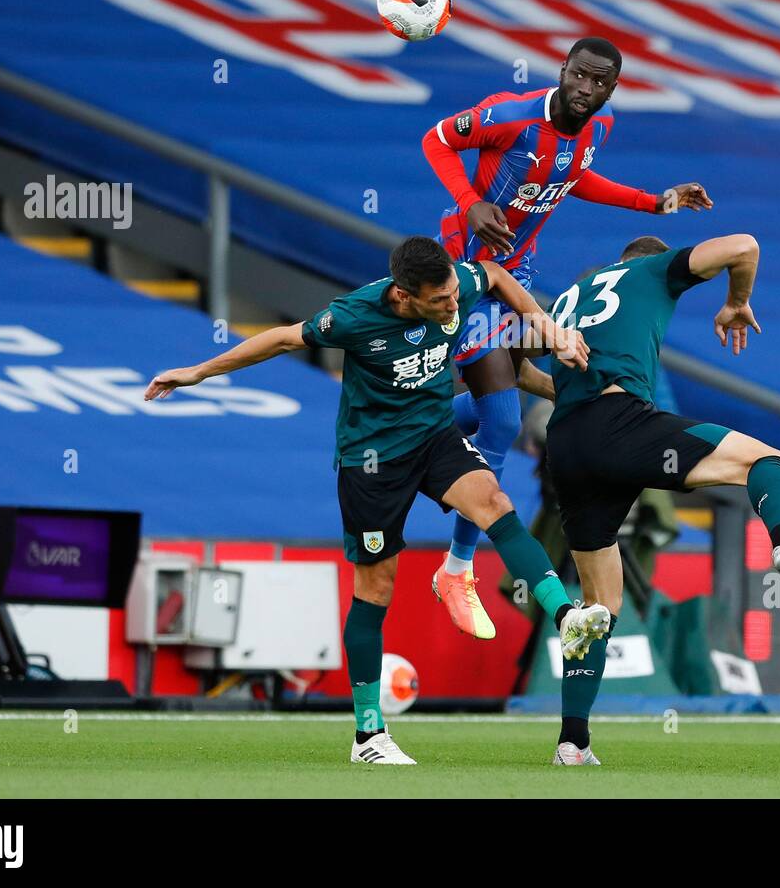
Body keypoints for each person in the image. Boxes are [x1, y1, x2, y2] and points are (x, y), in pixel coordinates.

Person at [143, 236, 612, 765]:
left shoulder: (457, 283)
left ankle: (565, 616)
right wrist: (199, 371)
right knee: (376, 589)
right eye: (440, 301)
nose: (453, 306)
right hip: (373, 462)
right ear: (404, 296)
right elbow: (278, 339)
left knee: (495, 503)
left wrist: (545, 325)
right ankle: (369, 735)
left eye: (454, 294)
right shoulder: (353, 317)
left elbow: (494, 273)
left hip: (435, 438)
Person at [535, 232, 780, 765]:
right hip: (621, 425)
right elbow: (746, 246)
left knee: (596, 611)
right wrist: (736, 303)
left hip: (567, 445)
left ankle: (572, 743)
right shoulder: (649, 272)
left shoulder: (569, 299)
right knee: (768, 461)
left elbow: (519, 369)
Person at [422, 35, 712, 641]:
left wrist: (654, 204)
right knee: (502, 420)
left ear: (611, 88)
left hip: (518, 274)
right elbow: (437, 139)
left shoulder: (597, 127)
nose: (586, 89)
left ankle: (407, 423)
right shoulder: (510, 114)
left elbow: (577, 178)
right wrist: (471, 201)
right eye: (579, 75)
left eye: (599, 82)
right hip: (468, 272)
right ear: (563, 70)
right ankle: (458, 566)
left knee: (510, 389)